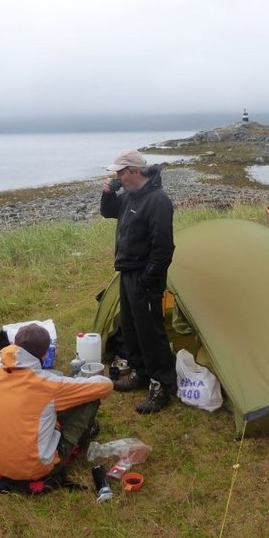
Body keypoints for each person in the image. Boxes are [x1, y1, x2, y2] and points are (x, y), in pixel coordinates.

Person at [0, 323, 112, 491]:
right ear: (43, 354)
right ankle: (81, 435)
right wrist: (80, 382)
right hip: (35, 468)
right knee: (89, 399)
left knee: (42, 407)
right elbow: (105, 386)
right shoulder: (48, 384)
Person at [100, 149, 177, 414]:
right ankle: (141, 373)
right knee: (131, 329)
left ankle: (162, 385)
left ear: (134, 171)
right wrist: (108, 192)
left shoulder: (157, 201)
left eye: (120, 172)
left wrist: (148, 279)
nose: (117, 176)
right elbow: (107, 212)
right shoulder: (129, 197)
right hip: (127, 273)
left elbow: (164, 248)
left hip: (145, 277)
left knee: (151, 333)